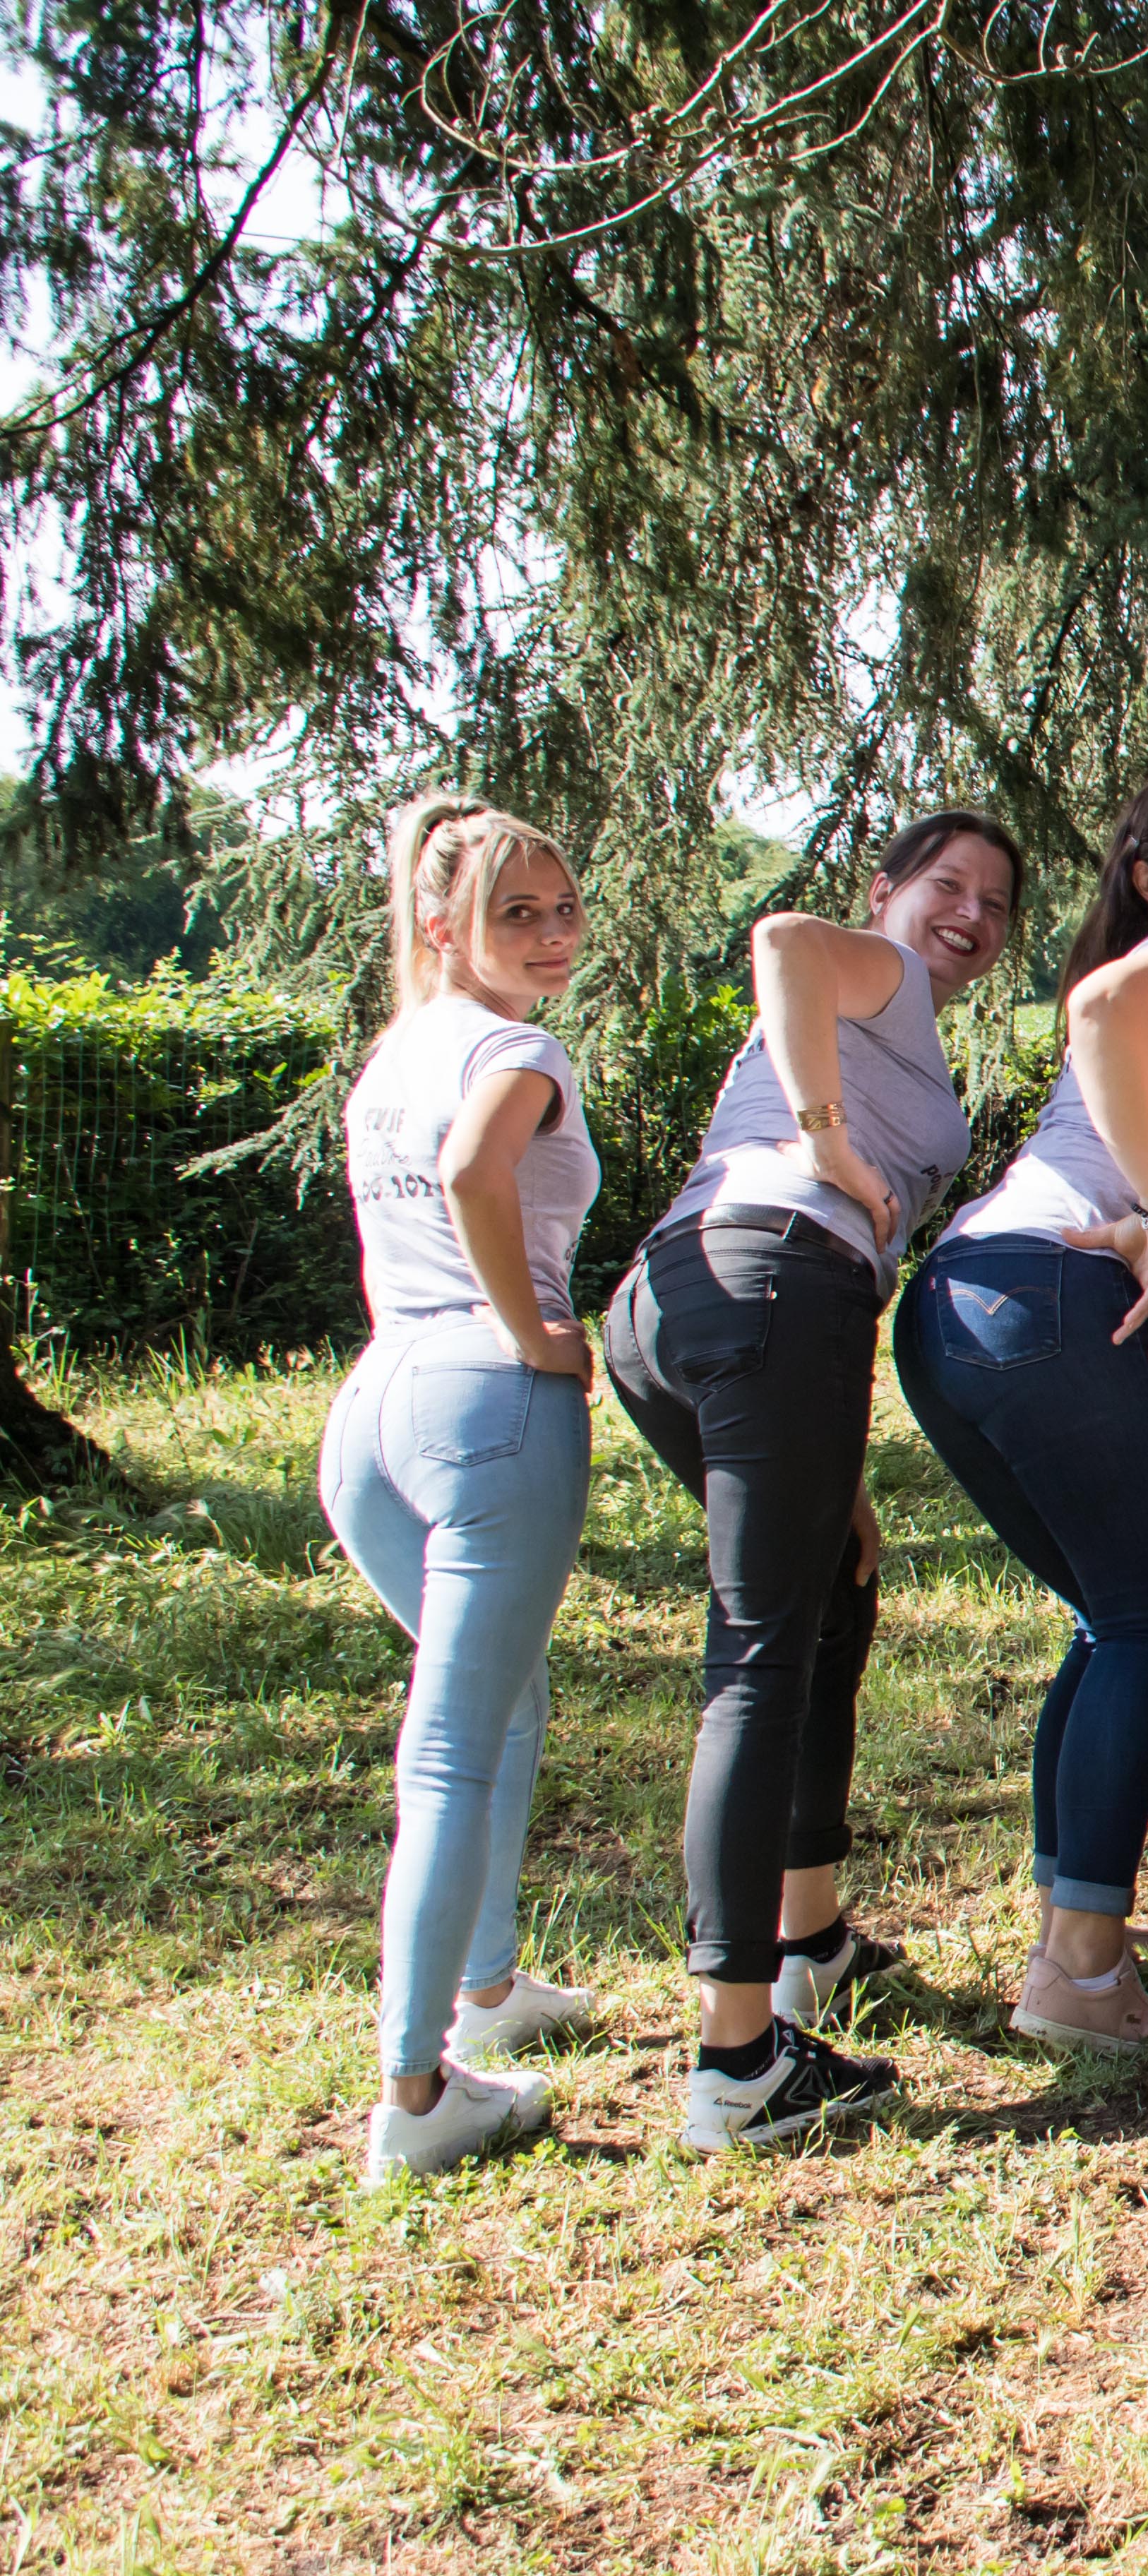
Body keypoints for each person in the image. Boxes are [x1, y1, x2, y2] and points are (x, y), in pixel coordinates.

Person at [609, 809, 1022, 2152]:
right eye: (946, 884)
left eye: (997, 903)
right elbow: (783, 940)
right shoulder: (876, 973)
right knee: (761, 1655)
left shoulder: (902, 1022)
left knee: (829, 1599)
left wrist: (831, 1466)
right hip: (775, 1275)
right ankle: (738, 2060)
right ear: (883, 892)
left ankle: (812, 1940)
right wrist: (831, 1142)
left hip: (679, 1308)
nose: (971, 915)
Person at [897, 770, 1148, 2056]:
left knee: (1105, 1617)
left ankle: (1078, 1917)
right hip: (1052, 1299)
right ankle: (1078, 1974)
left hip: (961, 1304)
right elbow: (1103, 1008)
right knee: (1147, 1621)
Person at [327, 793, 600, 2181]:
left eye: (561, 909)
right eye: (516, 914)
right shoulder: (515, 1049)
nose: (551, 936)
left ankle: (491, 1985)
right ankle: (417, 2092)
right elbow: (473, 1172)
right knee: (448, 1751)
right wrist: (531, 1331)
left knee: (503, 1697)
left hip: (373, 1410)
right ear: (442, 926)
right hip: (484, 1404)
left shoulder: (391, 1056)